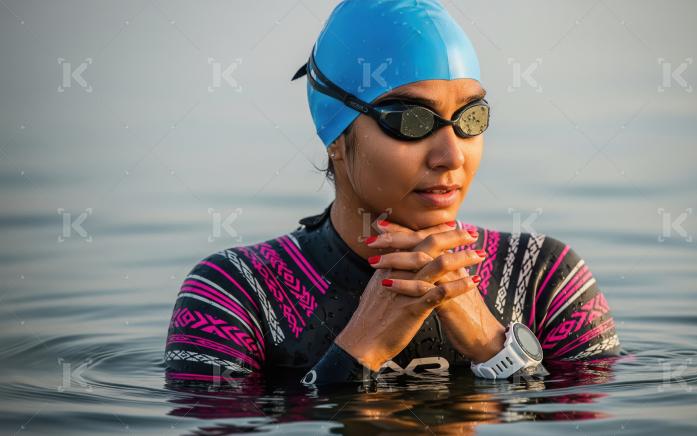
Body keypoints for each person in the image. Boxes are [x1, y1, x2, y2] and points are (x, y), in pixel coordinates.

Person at [163, 0, 620, 387]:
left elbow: (594, 422)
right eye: (410, 121)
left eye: (470, 118)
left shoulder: (545, 277)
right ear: (335, 137)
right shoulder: (235, 292)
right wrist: (358, 350)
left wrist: (493, 347)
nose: (451, 156)